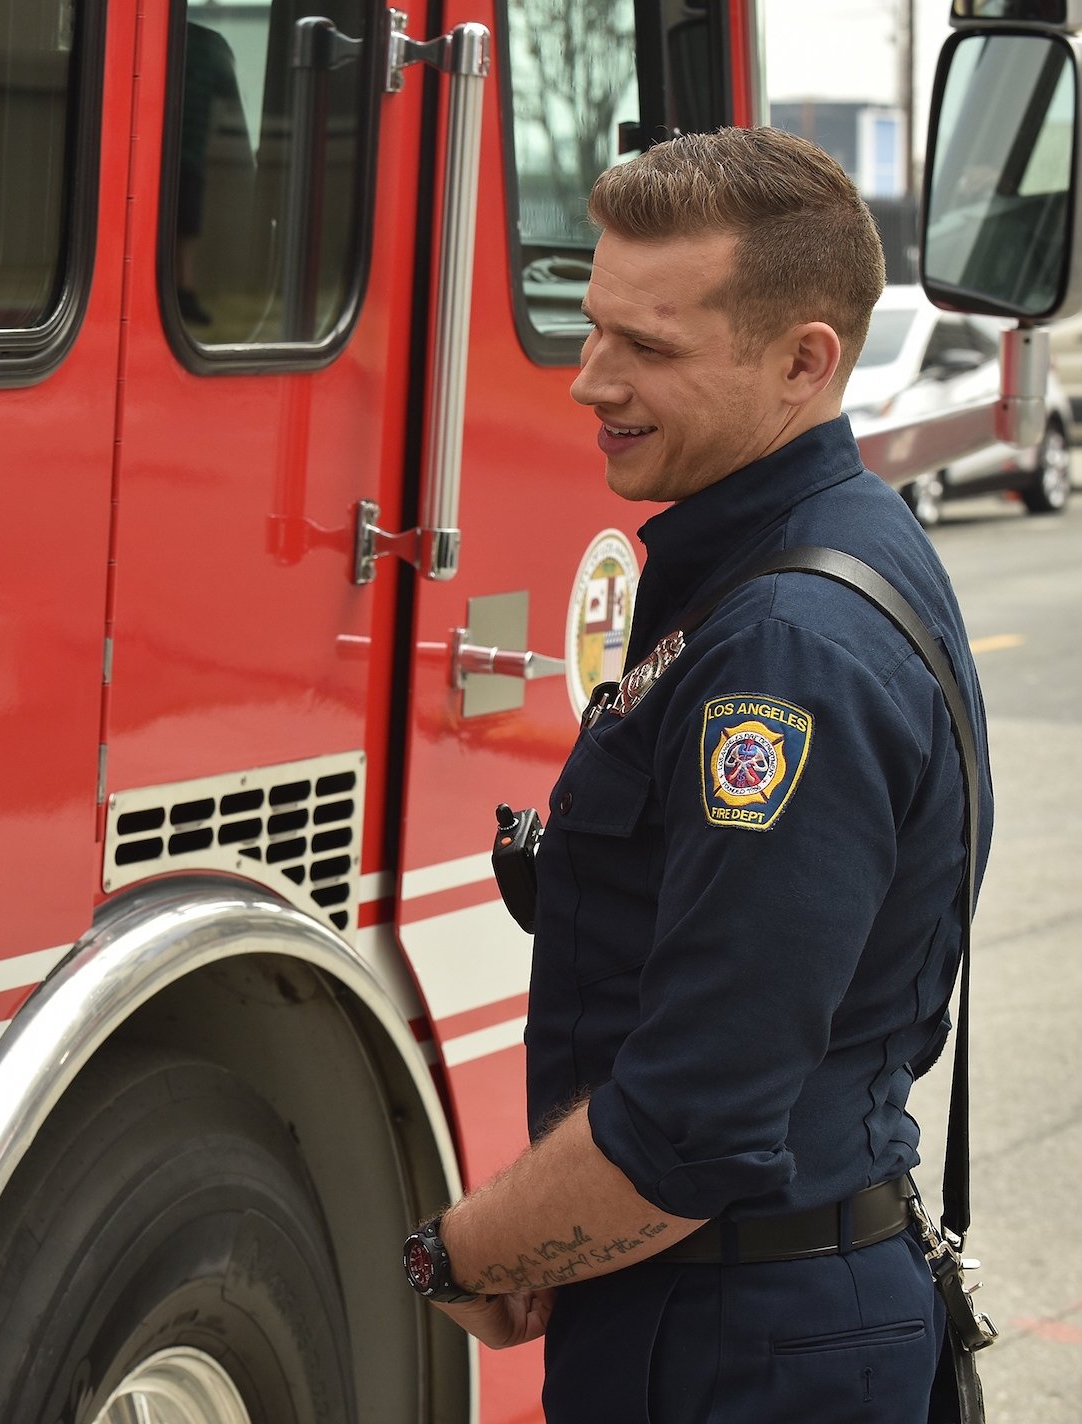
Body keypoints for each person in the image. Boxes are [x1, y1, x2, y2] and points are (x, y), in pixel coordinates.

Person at [396, 127, 993, 1422]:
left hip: (740, 1342)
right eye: (592, 327)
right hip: (743, 1305)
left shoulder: (785, 651)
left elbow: (691, 1125)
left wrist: (458, 1251)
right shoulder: (807, 545)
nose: (589, 380)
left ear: (804, 361)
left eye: (648, 348)